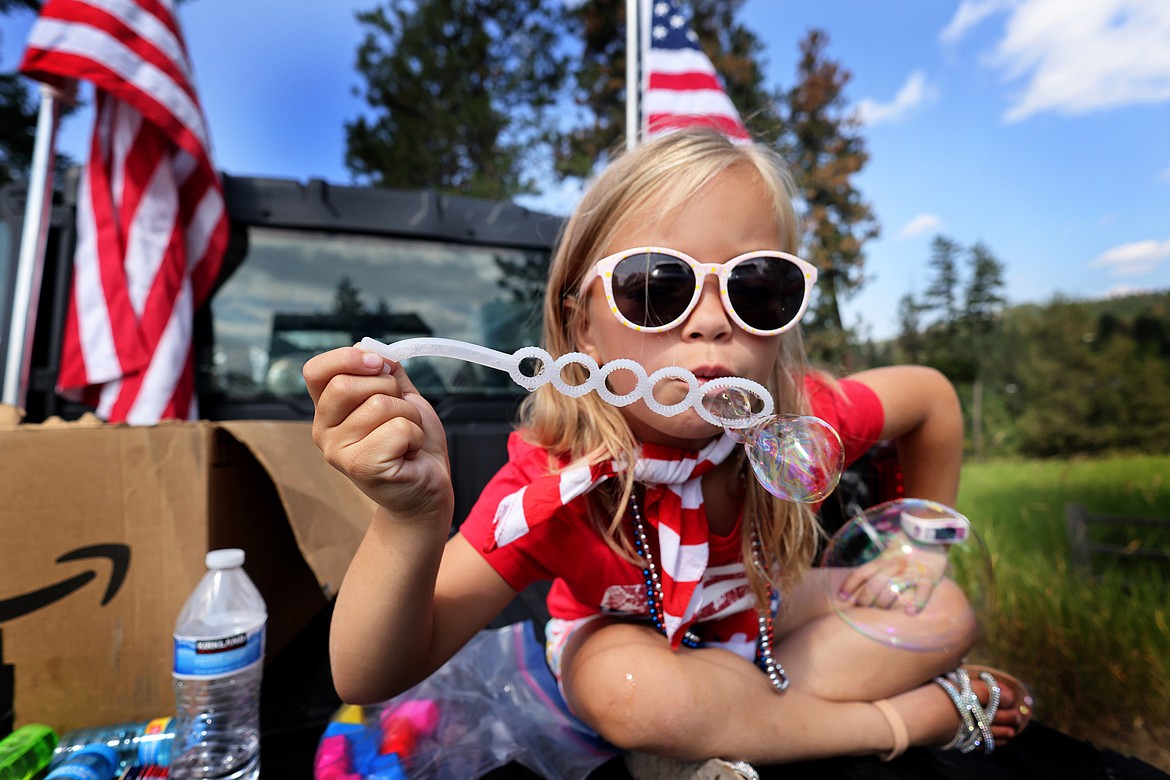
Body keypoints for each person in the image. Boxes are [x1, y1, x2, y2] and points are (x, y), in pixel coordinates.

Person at [303, 128, 1032, 771]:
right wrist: (407, 521)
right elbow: (367, 675)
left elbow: (932, 399)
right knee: (633, 693)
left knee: (945, 613)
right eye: (657, 287)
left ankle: (736, 718)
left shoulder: (801, 418)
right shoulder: (556, 485)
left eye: (757, 287)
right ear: (582, 326)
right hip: (625, 639)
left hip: (761, 606)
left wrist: (918, 549)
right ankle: (892, 722)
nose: (713, 322)